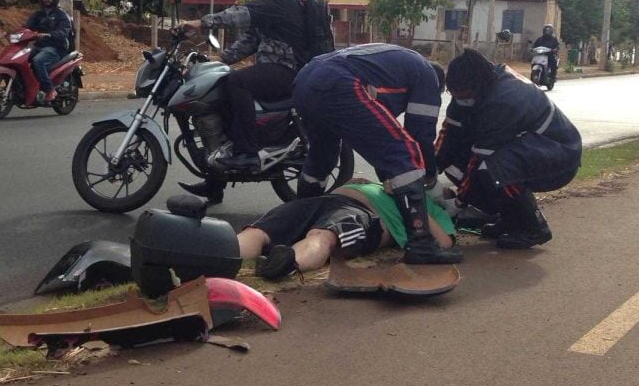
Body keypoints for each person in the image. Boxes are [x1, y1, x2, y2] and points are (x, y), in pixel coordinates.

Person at [291, 43, 461, 265]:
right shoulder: (426, 75)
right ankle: (421, 244)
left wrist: (390, 177)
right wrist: (429, 178)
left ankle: (298, 221)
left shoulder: (392, 68)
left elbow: (379, 143)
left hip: (305, 81)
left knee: (321, 158)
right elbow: (420, 134)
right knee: (404, 153)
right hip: (339, 82)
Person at [175, 0, 308, 204]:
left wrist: (201, 23)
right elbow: (251, 40)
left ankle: (247, 152)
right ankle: (215, 182)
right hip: (276, 67)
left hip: (287, 70)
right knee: (224, 84)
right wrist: (220, 61)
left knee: (236, 82)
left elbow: (241, 15)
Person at [436, 48, 582, 249]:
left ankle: (533, 227)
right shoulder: (474, 82)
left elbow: (478, 159)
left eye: (464, 95)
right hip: (530, 148)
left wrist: (459, 203)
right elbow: (450, 132)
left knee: (493, 169)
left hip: (559, 155)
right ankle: (512, 219)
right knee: (455, 166)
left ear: (476, 87)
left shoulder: (504, 101)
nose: (459, 99)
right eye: (454, 94)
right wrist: (430, 171)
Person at [237, 179, 458, 280]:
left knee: (323, 235)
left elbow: (444, 242)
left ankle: (287, 263)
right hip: (328, 200)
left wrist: (413, 199)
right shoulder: (390, 182)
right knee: (259, 231)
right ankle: (219, 255)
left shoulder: (433, 211)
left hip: (364, 214)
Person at [24, 0, 72, 103]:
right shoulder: (38, 14)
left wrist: (50, 34)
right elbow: (27, 27)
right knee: (22, 58)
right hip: (39, 46)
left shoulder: (61, 15)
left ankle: (49, 89)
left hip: (55, 47)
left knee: (38, 61)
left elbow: (64, 31)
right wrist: (17, 33)